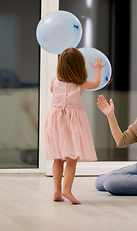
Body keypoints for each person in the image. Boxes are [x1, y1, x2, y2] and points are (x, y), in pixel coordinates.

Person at [44, 47, 105, 204]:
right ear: (80, 66)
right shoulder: (81, 84)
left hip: (55, 122)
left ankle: (57, 190)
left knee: (58, 158)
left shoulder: (54, 82)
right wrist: (97, 68)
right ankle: (67, 190)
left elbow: (53, 91)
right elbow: (97, 83)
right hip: (71, 124)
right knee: (71, 159)